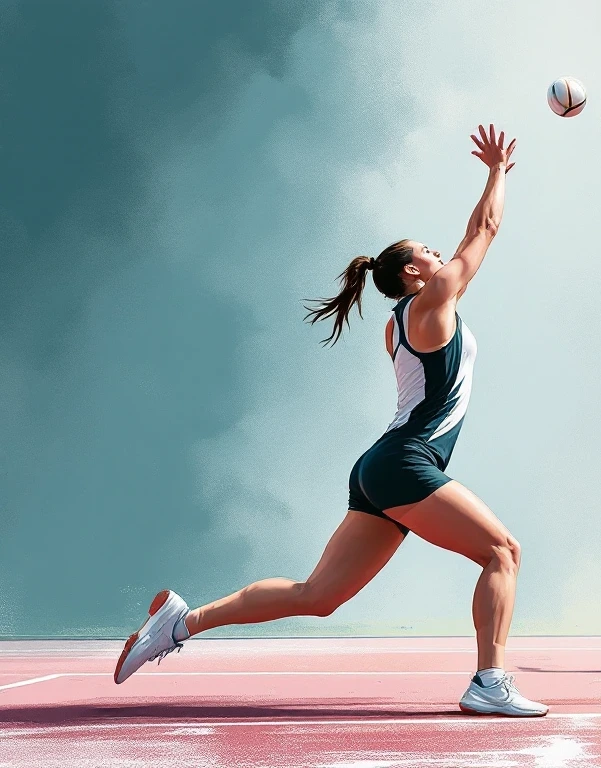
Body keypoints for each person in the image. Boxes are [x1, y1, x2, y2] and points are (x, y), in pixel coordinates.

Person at [113, 124, 547, 717]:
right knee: (503, 552)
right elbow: (485, 230)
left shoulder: (402, 322)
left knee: (318, 596)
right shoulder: (429, 305)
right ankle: (488, 682)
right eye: (428, 250)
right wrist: (496, 170)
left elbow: (468, 247)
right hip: (404, 463)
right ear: (414, 274)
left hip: (381, 466)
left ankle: (182, 623)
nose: (441, 253)